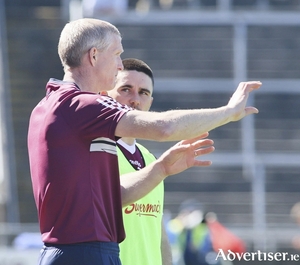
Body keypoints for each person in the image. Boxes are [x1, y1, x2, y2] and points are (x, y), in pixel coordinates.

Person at [27, 18, 261, 265]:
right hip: (86, 253)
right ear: (93, 56)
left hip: (72, 251)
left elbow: (110, 196)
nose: (119, 65)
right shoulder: (83, 104)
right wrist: (228, 112)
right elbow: (164, 127)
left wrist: (160, 169)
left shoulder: (49, 106)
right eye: (116, 54)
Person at [108, 58, 172, 265]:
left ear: (151, 102)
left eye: (144, 92)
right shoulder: (97, 151)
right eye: (126, 89)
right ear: (105, 94)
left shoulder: (152, 159)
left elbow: (159, 233)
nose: (135, 99)